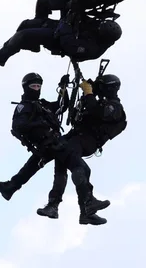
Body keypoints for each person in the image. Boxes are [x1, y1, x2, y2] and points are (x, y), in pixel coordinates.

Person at [0, 72, 109, 226]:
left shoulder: (42, 105)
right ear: (26, 87)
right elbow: (18, 126)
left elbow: (61, 106)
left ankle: (11, 188)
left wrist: (63, 89)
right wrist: (40, 127)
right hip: (50, 144)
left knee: (36, 167)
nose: (36, 88)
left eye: (38, 86)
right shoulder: (24, 107)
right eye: (33, 86)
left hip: (52, 143)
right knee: (81, 167)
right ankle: (87, 204)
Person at [37, 73, 127, 220]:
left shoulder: (115, 108)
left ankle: (83, 203)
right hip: (75, 136)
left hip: (85, 141)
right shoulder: (98, 101)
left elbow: (95, 111)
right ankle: (63, 207)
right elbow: (70, 107)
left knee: (80, 169)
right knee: (61, 164)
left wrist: (89, 93)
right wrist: (65, 90)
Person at [0, 13, 122, 75]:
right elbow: (87, 22)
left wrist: (67, 25)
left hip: (57, 39)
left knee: (23, 36)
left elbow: (68, 44)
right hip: (61, 27)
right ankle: (2, 54)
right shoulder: (99, 29)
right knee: (26, 24)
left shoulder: (94, 49)